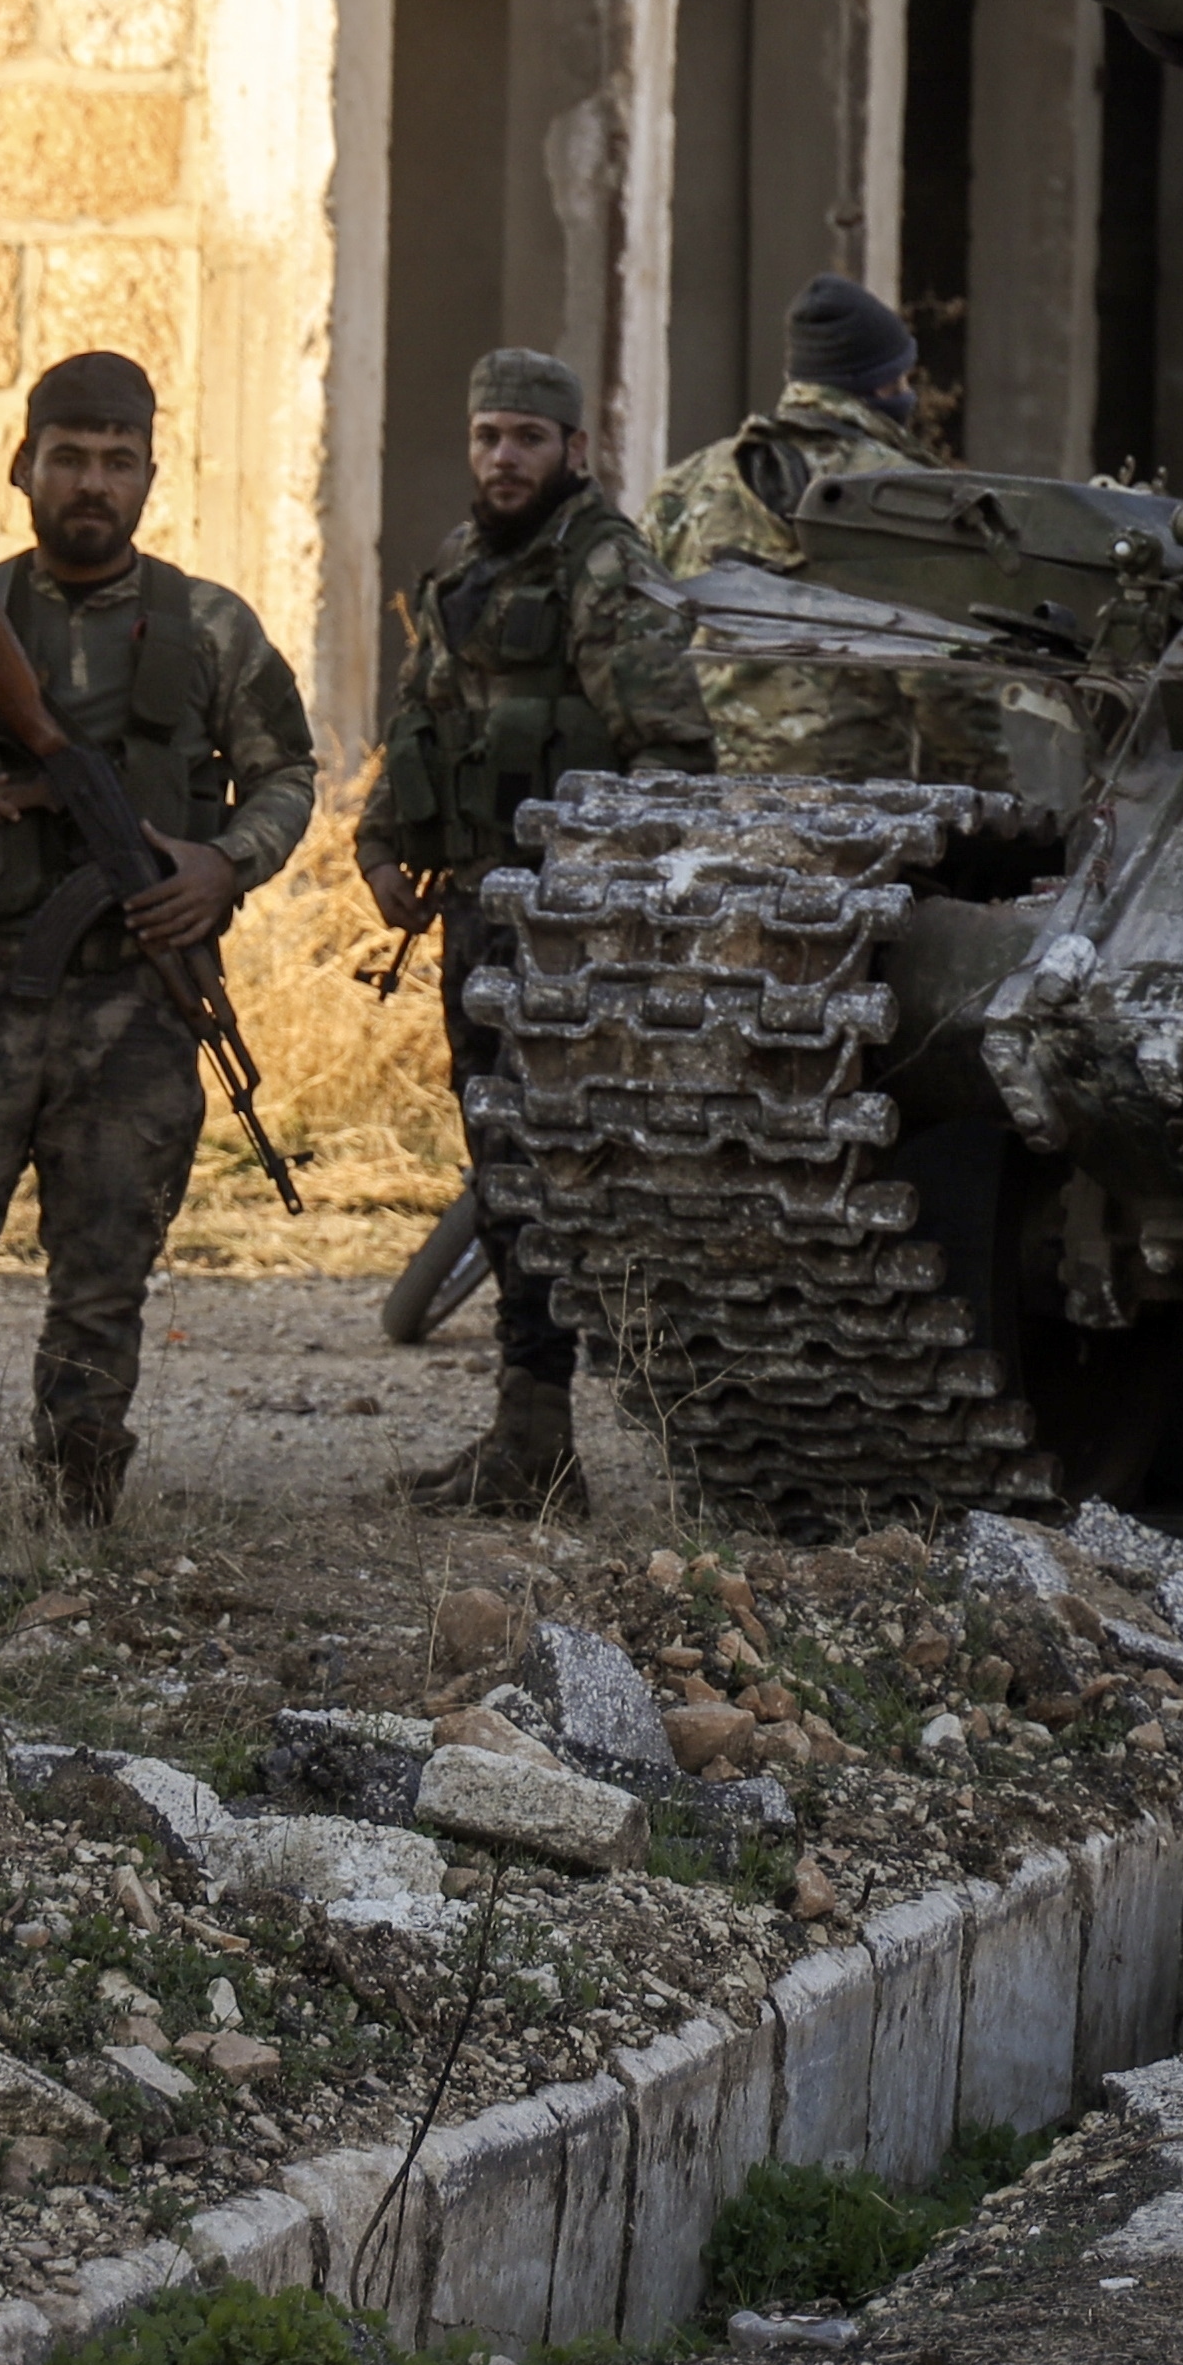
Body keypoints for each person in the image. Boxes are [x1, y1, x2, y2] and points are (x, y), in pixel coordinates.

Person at [0, 350, 316, 1530]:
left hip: (138, 1000)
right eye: (69, 457)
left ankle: (75, 1516)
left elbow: (288, 772)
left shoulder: (209, 628)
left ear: (150, 476)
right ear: (23, 465)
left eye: (117, 461)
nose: (92, 482)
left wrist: (222, 861)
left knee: (103, 1283)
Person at [361, 347, 720, 1518]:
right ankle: (530, 1435)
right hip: (477, 913)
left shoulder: (606, 570)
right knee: (500, 1171)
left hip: (567, 928)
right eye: (486, 437)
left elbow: (673, 759)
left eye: (526, 437)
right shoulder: (466, 563)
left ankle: (599, 1432)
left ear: (574, 449)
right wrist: (378, 846)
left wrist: (605, 900)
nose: (503, 458)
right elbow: (422, 713)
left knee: (566, 1177)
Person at [642, 279, 1014, 782]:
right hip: (853, 811)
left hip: (710, 800)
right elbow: (944, 678)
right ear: (879, 384)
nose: (907, 395)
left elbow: (644, 650)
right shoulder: (903, 493)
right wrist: (984, 795)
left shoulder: (683, 486)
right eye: (902, 380)